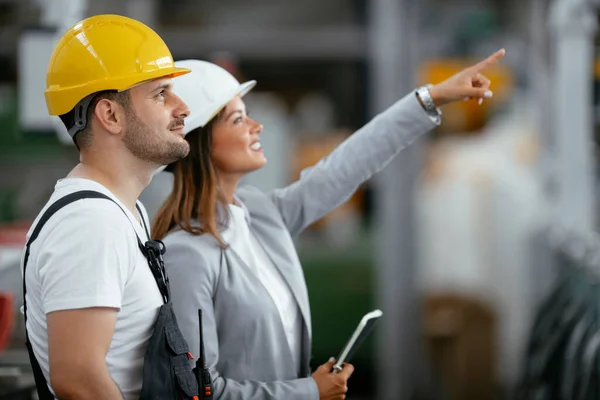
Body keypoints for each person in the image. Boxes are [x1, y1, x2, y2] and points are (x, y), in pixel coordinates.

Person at [152, 49, 506, 400]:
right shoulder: (187, 254)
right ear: (199, 144)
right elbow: (197, 392)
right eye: (238, 119)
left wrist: (431, 98)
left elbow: (344, 167)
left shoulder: (257, 215)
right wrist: (309, 391)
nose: (257, 126)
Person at [21, 14, 199, 400]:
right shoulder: (89, 223)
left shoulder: (120, 212)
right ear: (111, 115)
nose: (182, 107)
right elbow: (79, 381)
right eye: (161, 93)